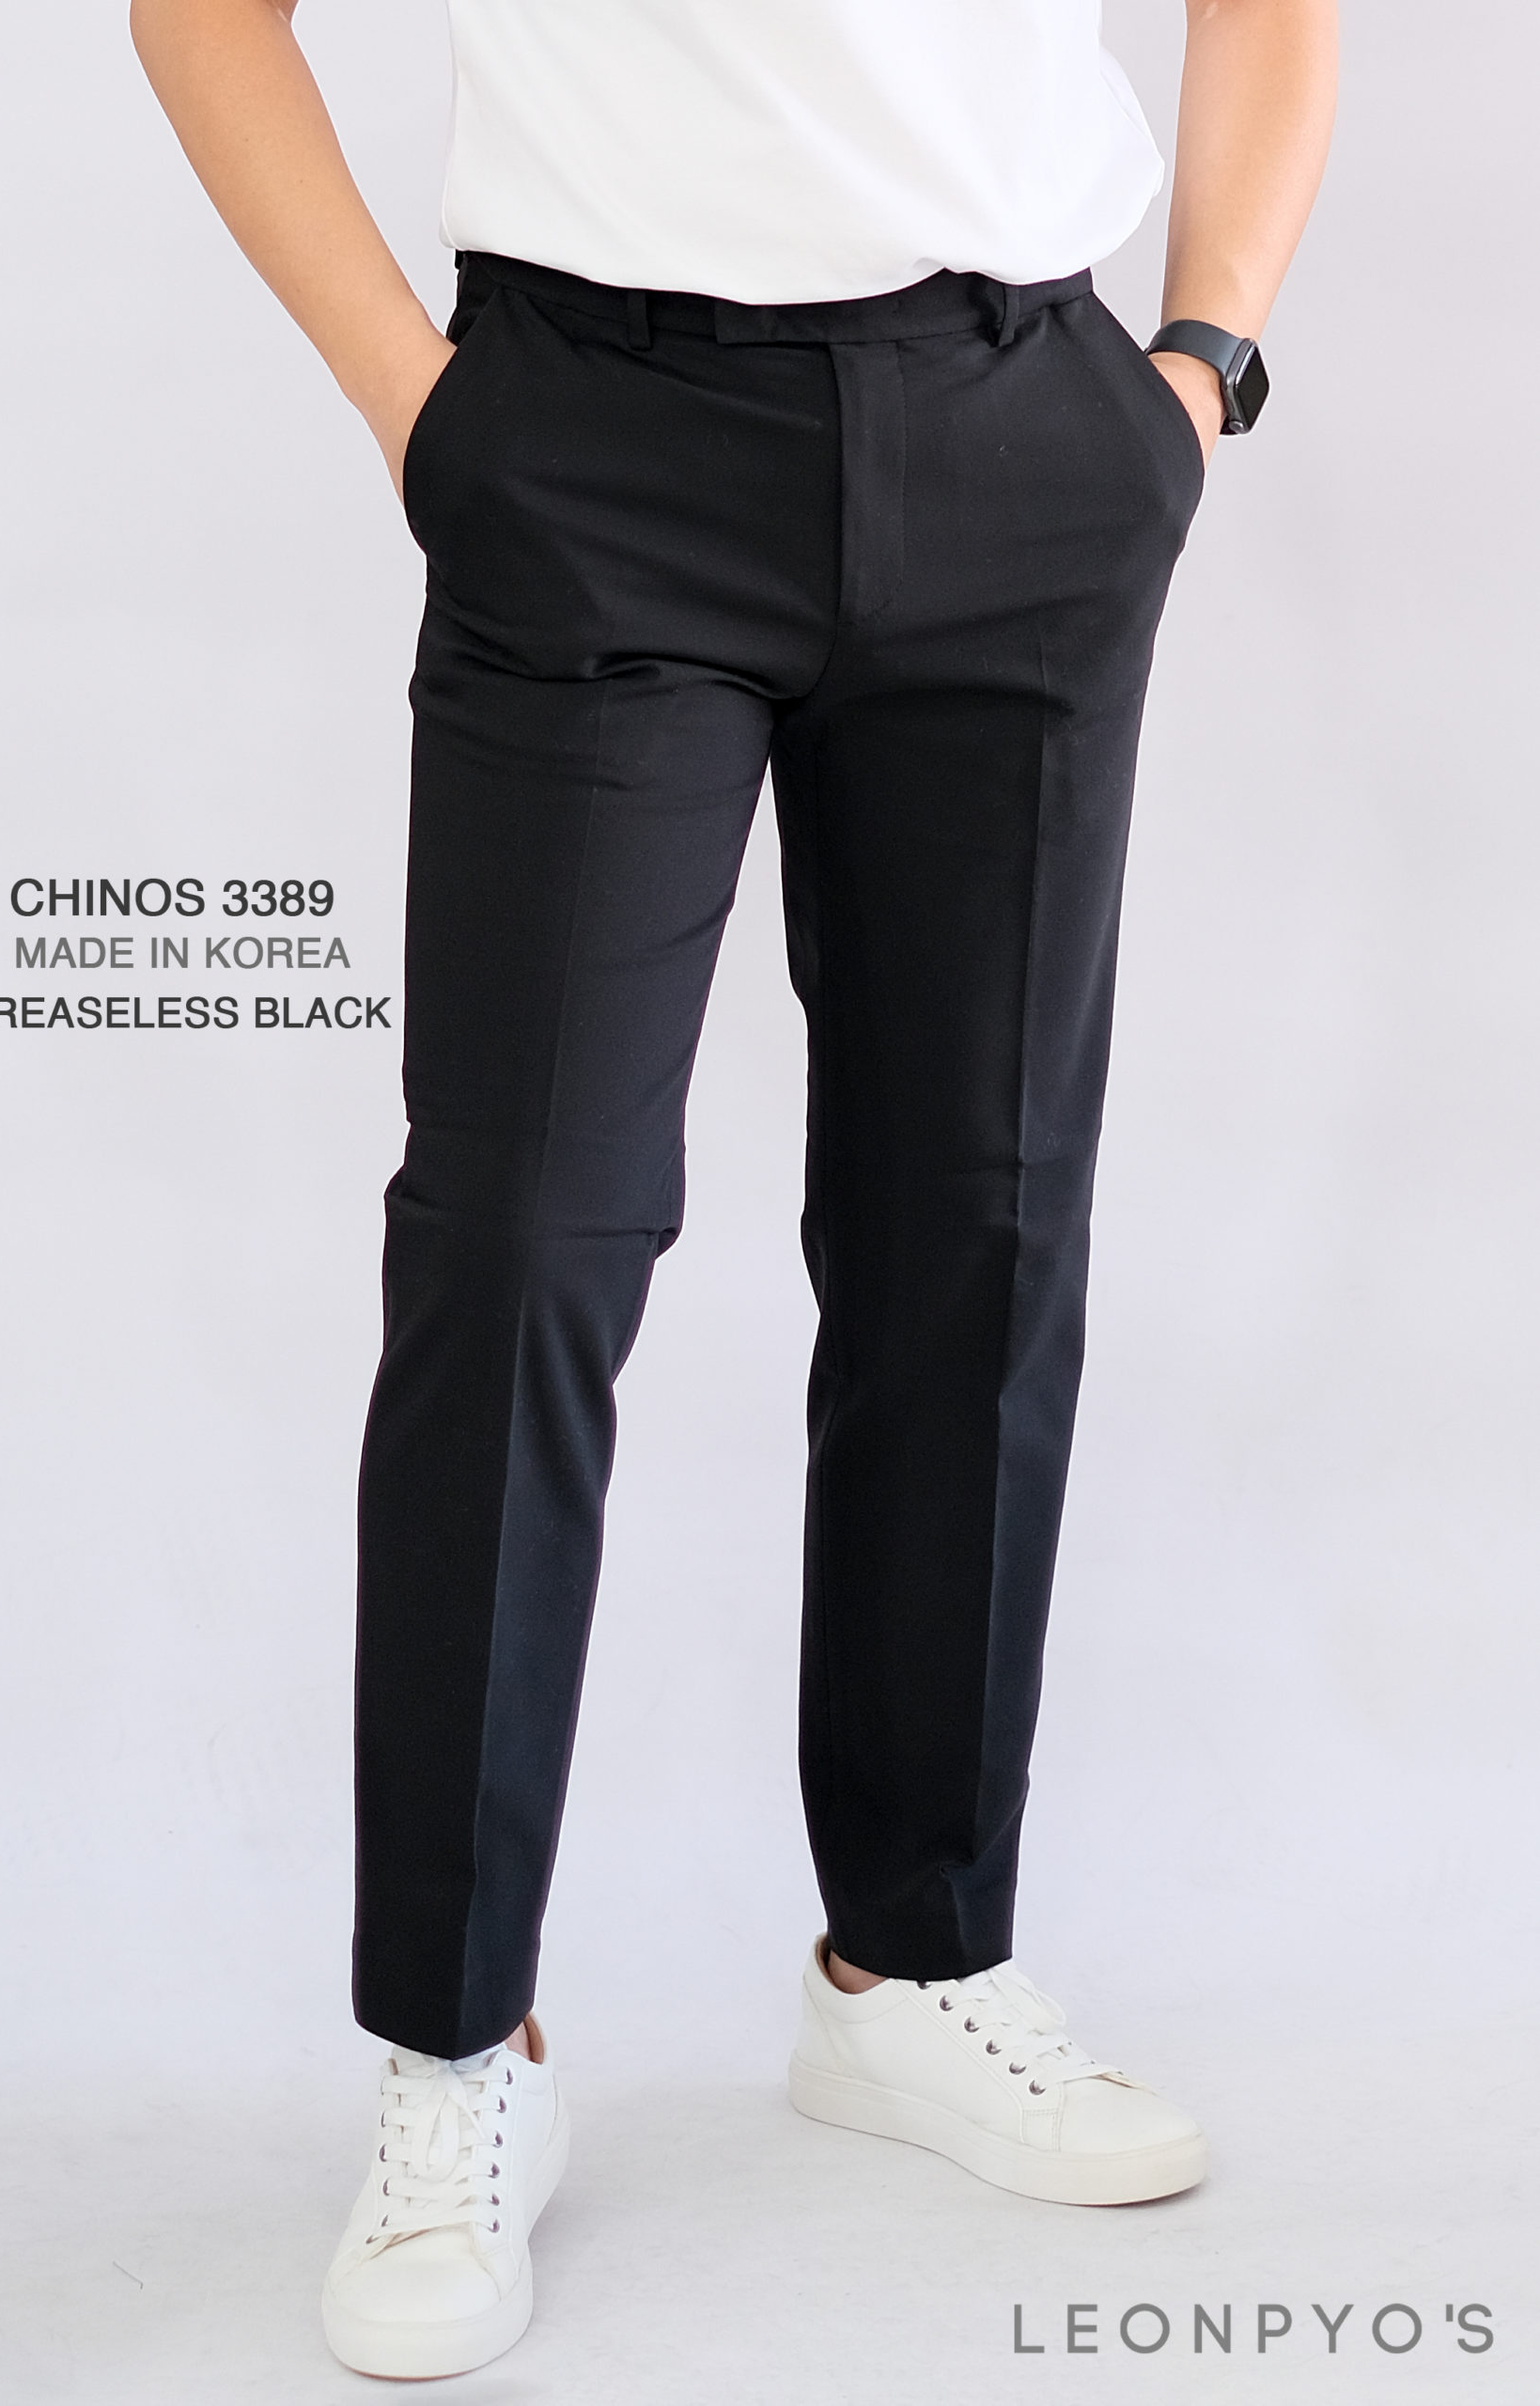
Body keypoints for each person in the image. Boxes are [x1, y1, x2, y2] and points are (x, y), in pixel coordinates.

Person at [132, 0, 1336, 2378]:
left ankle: (913, 1957)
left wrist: (1193, 367)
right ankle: (455, 2043)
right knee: (519, 1238)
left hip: (1020, 427)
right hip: (592, 438)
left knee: (975, 1222)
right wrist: (412, 403)